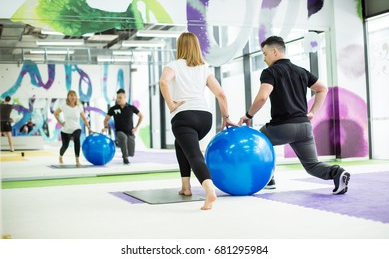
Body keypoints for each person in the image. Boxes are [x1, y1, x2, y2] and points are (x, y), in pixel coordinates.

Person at [239, 36, 350, 195]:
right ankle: (337, 173)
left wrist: (248, 115)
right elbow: (322, 88)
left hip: (281, 127)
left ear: (275, 51)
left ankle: (268, 179)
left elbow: (263, 96)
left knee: (257, 142)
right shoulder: (301, 71)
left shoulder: (270, 72)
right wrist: (312, 112)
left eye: (265, 54)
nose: (264, 59)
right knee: (312, 165)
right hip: (304, 127)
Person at [160, 32, 237, 210]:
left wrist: (171, 104)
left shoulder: (174, 65)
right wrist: (226, 118)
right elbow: (221, 94)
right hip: (204, 118)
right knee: (181, 145)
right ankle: (186, 188)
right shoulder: (204, 68)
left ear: (180, 47)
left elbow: (164, 82)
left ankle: (209, 190)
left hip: (184, 116)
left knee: (194, 154)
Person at [103, 89, 143, 165]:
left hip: (130, 133)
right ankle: (125, 158)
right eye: (117, 97)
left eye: (120, 97)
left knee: (131, 153)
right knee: (123, 137)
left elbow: (141, 116)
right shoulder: (113, 109)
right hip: (119, 132)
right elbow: (105, 120)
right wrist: (105, 127)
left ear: (125, 97)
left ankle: (118, 144)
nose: (118, 99)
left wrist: (136, 127)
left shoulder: (131, 108)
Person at [54, 90, 91, 167]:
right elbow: (56, 114)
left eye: (74, 95)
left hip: (76, 128)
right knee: (65, 146)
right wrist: (61, 122)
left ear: (76, 97)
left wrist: (88, 127)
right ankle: (60, 156)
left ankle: (77, 160)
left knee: (77, 139)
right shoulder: (64, 106)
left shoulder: (79, 106)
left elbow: (84, 118)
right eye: (71, 95)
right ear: (68, 97)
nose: (73, 97)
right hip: (66, 130)